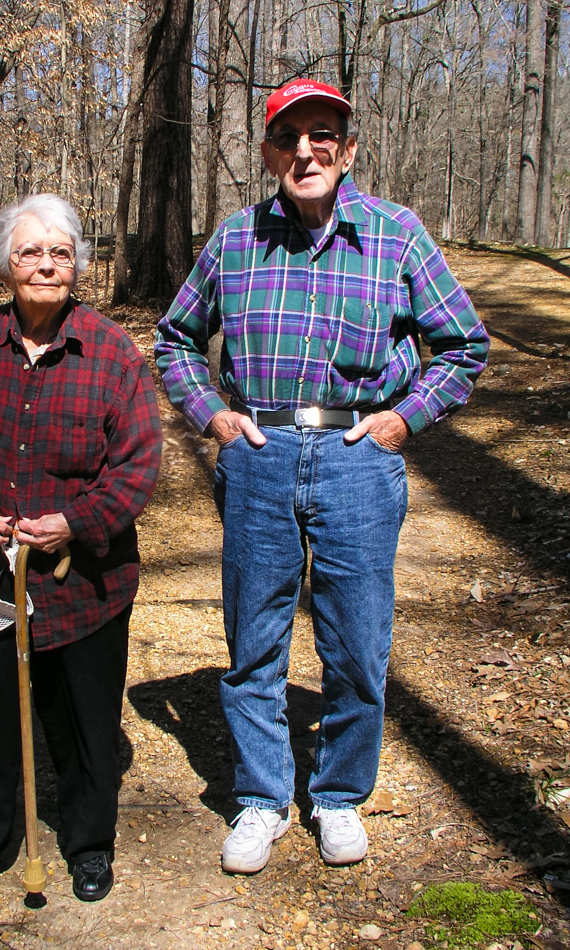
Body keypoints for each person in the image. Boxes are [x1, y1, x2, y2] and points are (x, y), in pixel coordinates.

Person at [155, 79, 489, 872]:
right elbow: (173, 339)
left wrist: (405, 418)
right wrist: (213, 416)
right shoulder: (237, 240)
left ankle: (337, 794)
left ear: (346, 147)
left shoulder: (395, 235)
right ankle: (262, 798)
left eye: (320, 134)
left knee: (356, 644)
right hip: (260, 458)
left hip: (356, 464)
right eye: (288, 137)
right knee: (253, 641)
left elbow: (465, 345)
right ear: (269, 151)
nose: (304, 151)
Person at [0, 193, 161, 910]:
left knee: (82, 720)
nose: (45, 264)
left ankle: (87, 845)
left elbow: (137, 466)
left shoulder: (112, 352)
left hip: (84, 581)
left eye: (59, 252)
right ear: (4, 266)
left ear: (77, 264)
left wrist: (75, 521)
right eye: (29, 252)